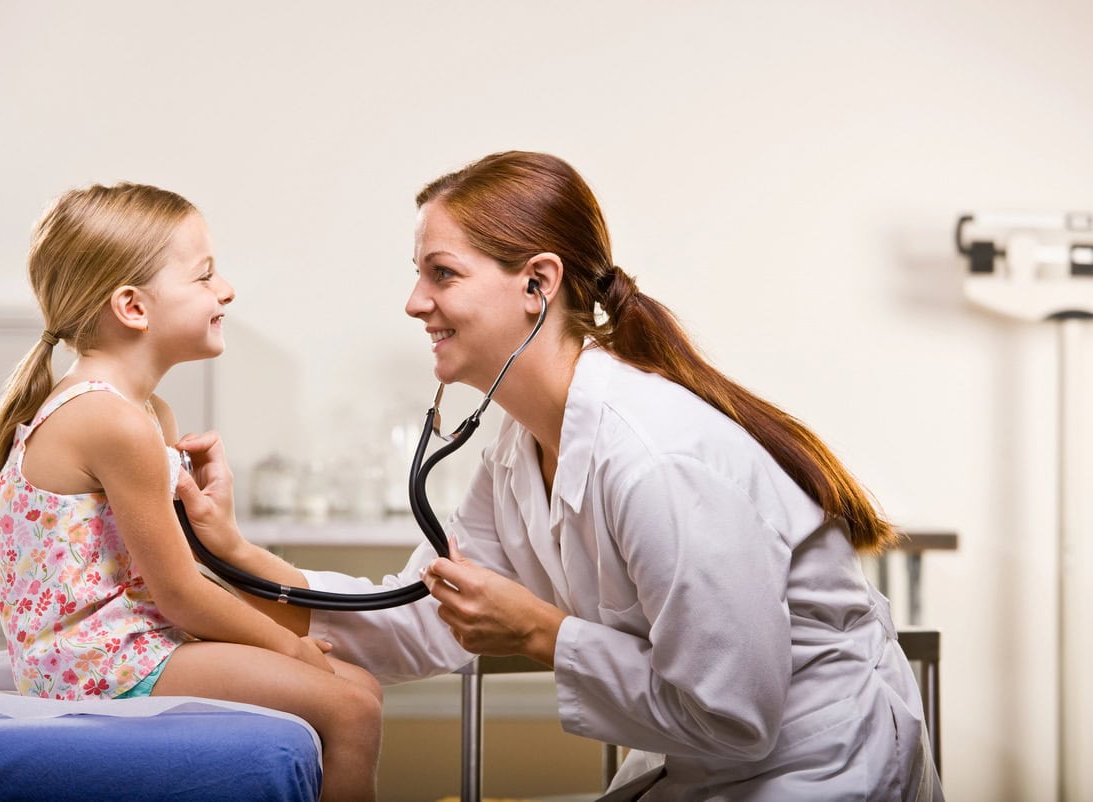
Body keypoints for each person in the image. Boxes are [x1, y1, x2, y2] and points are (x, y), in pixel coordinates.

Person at [176, 152, 943, 801]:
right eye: (418, 275)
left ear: (538, 283)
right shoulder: (521, 445)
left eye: (441, 274)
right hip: (716, 767)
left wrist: (542, 633)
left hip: (819, 768)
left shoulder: (655, 458)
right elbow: (418, 617)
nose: (414, 303)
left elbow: (735, 713)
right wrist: (236, 556)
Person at [0, 183, 382, 802]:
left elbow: (175, 574)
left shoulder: (145, 412)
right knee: (353, 710)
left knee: (361, 689)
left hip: (133, 644)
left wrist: (266, 604)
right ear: (133, 306)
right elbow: (181, 594)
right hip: (97, 666)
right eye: (205, 276)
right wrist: (292, 647)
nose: (227, 290)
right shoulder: (113, 421)